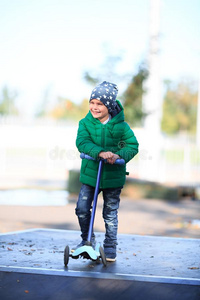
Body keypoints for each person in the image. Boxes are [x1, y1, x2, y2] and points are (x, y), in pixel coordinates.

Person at [74, 81, 139, 262]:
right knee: (82, 208)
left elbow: (132, 145)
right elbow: (82, 142)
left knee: (110, 213)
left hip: (112, 177)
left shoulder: (121, 127)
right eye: (92, 102)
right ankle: (87, 240)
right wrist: (100, 153)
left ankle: (110, 246)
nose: (94, 107)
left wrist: (118, 155)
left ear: (109, 106)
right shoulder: (85, 123)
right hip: (90, 176)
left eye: (99, 104)